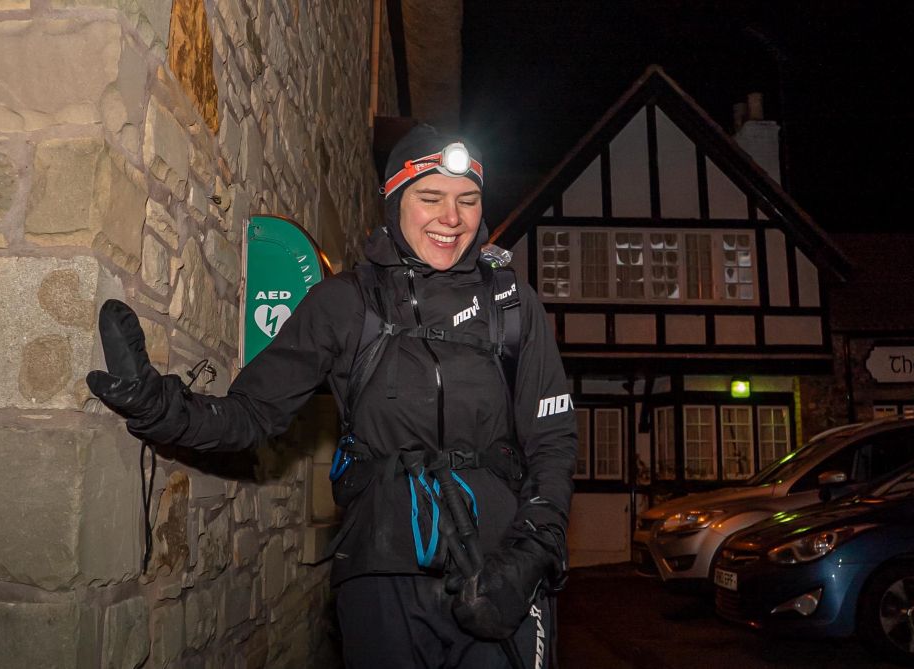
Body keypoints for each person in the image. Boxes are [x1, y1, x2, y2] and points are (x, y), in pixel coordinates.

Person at [87, 125, 577, 669]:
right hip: (380, 566)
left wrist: (532, 553)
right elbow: (252, 414)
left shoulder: (512, 305)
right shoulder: (346, 302)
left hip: (501, 564)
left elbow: (552, 442)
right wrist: (158, 406)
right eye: (430, 198)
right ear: (394, 202)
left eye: (467, 200)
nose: (452, 218)